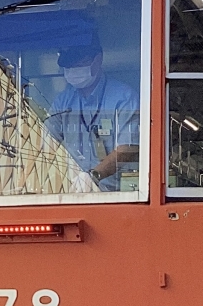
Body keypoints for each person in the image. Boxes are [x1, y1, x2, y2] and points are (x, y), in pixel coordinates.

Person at [47, 31, 139, 191]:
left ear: (98, 59)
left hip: (116, 195)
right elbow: (47, 144)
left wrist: (94, 176)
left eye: (79, 64)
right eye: (69, 67)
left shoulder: (123, 97)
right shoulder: (63, 101)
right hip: (70, 192)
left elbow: (127, 149)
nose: (73, 70)